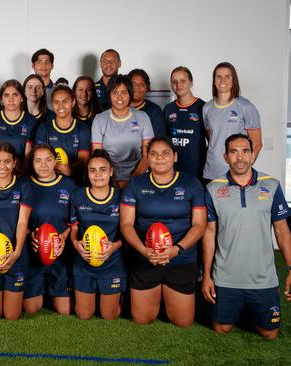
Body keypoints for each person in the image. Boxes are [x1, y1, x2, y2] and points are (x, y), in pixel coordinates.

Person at [203, 134, 291, 340]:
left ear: (253, 156)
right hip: (225, 277)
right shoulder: (213, 188)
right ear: (225, 157)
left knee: (269, 334)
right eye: (233, 152)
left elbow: (281, 230)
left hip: (263, 278)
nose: (240, 157)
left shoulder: (271, 185)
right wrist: (207, 274)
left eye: (245, 151)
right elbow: (209, 232)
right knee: (221, 330)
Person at [120, 137, 207, 328]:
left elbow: (199, 225)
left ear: (175, 156)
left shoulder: (191, 183)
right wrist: (144, 251)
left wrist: (177, 249)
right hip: (144, 257)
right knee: (142, 320)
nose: (160, 158)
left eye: (165, 153)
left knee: (183, 322)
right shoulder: (136, 185)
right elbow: (126, 224)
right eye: (154, 154)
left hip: (180, 258)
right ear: (148, 158)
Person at [70, 149, 125, 320]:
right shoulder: (77, 196)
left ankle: (122, 298)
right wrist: (75, 244)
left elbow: (129, 232)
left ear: (110, 171)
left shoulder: (121, 197)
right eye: (93, 170)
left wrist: (114, 247)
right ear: (87, 173)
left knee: (109, 316)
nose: (98, 175)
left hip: (112, 261)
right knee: (84, 315)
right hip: (84, 260)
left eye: (102, 169)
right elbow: (74, 229)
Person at [0, 142, 32, 320]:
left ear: (15, 162)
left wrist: (16, 253)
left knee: (11, 316)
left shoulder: (23, 186)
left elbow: (22, 222)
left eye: (7, 161)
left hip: (16, 256)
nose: (2, 166)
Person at [23, 144, 77, 315]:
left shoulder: (69, 185)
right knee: (30, 309)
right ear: (32, 163)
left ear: (55, 161)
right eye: (38, 160)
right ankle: (40, 289)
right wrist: (29, 234)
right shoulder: (24, 184)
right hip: (33, 254)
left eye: (48, 160)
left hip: (60, 254)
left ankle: (53, 290)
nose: (43, 165)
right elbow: (15, 220)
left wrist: (64, 236)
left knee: (65, 310)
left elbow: (76, 220)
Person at [91, 75, 154, 189]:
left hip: (138, 177)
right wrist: (112, 181)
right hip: (107, 179)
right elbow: (97, 158)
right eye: (115, 92)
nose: (119, 97)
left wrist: (131, 182)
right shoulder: (99, 119)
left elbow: (148, 156)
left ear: (130, 94)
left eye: (124, 92)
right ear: (109, 95)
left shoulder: (142, 117)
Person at [202, 62, 262, 182]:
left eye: (227, 76)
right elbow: (212, 138)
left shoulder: (245, 106)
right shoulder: (207, 107)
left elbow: (257, 143)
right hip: (210, 172)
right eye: (218, 76)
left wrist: (244, 168)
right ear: (214, 81)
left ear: (234, 80)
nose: (222, 80)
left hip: (234, 173)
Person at [35, 85, 91, 177]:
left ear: (73, 102)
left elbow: (83, 161)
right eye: (56, 102)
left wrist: (69, 169)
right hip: (50, 176)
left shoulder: (82, 128)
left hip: (75, 177)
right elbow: (39, 158)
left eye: (65, 101)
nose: (60, 106)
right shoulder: (44, 128)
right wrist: (59, 166)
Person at [0, 79, 38, 170]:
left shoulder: (30, 120)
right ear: (1, 99)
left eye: (15, 95)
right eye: (6, 95)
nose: (11, 99)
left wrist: (20, 177)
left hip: (22, 174)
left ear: (21, 98)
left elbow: (28, 156)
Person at [163, 66, 206, 180]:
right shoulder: (168, 109)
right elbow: (165, 141)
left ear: (191, 83)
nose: (178, 85)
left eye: (183, 81)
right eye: (174, 82)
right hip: (173, 171)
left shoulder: (203, 107)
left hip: (197, 171)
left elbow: (212, 142)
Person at [128, 69, 167, 137]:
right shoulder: (119, 108)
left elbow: (159, 140)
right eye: (133, 84)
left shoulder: (154, 111)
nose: (137, 87)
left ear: (147, 88)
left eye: (141, 84)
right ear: (127, 86)